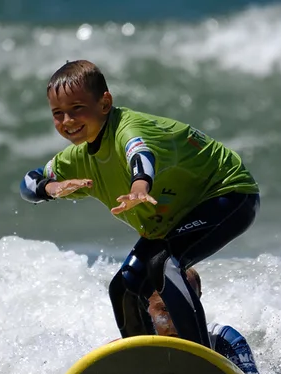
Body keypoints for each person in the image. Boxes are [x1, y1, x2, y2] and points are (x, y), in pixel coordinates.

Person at [19, 59, 260, 349]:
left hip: (227, 193)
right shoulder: (76, 159)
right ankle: (149, 360)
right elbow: (28, 183)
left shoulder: (128, 129)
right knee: (124, 289)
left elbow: (140, 155)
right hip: (175, 218)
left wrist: (139, 186)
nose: (67, 121)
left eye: (77, 109)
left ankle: (201, 357)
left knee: (166, 264)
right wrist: (51, 187)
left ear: (105, 103)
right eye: (58, 114)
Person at [148, 267, 265, 374]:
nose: (177, 322)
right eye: (166, 309)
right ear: (146, 304)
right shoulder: (129, 343)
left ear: (199, 299)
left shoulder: (224, 340)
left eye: (187, 307)